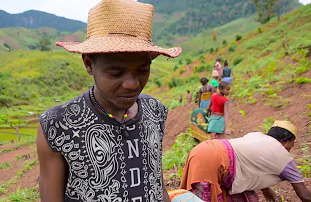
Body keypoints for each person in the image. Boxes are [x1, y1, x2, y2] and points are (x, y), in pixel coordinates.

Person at [36, 1, 182, 202]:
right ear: (88, 63)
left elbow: (156, 182)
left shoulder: (155, 111)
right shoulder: (57, 124)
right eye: (116, 73)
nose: (132, 84)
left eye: (143, 70)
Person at [180, 120, 311, 202]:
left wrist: (266, 190)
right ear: (284, 141)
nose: (289, 149)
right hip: (215, 162)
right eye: (291, 145)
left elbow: (252, 163)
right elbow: (304, 195)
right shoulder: (283, 156)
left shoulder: (256, 136)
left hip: (202, 150)